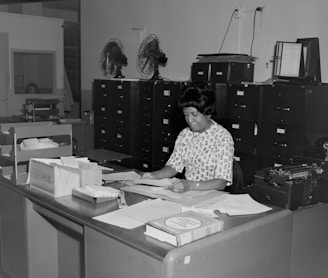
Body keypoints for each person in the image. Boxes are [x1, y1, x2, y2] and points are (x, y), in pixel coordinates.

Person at [141, 84, 234, 193]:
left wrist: (191, 185)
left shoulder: (222, 137)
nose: (189, 120)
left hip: (211, 195)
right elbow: (174, 166)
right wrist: (154, 175)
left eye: (194, 114)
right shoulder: (185, 134)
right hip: (188, 192)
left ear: (208, 113)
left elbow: (220, 183)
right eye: (186, 114)